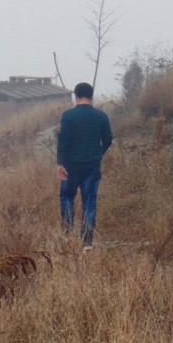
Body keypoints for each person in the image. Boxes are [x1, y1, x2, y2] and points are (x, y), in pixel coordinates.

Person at [56, 82, 113, 249]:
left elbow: (63, 140)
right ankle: (87, 242)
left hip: (70, 166)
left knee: (66, 197)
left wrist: (60, 163)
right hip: (91, 166)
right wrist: (98, 153)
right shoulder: (101, 116)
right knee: (89, 201)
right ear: (91, 96)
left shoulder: (68, 116)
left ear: (75, 95)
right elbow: (108, 139)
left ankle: (67, 235)